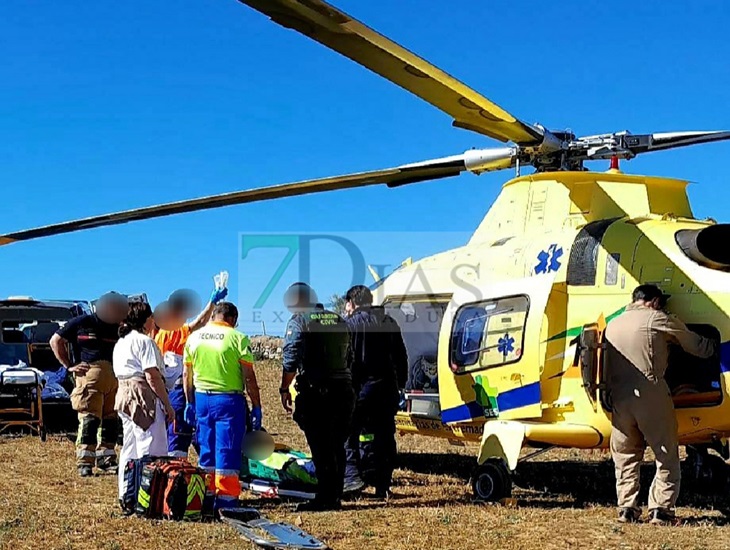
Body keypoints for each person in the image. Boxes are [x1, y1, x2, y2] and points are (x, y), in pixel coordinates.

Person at [604, 284, 716, 525]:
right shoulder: (657, 319)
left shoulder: (612, 324)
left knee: (625, 454)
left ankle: (626, 508)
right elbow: (695, 346)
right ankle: (661, 510)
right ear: (654, 302)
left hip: (618, 398)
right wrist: (716, 348)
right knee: (665, 452)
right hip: (650, 393)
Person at [280, 282, 355, 511]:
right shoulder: (339, 320)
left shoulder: (300, 321)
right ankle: (335, 494)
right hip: (343, 390)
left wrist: (284, 389)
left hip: (318, 393)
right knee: (337, 445)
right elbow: (349, 356)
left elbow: (291, 358)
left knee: (321, 447)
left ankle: (325, 497)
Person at [183, 301, 262, 512]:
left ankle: (204, 497)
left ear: (214, 316)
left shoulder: (194, 338)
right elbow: (249, 378)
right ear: (233, 320)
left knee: (206, 449)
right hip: (229, 401)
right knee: (227, 449)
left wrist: (189, 402)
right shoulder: (238, 338)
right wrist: (256, 406)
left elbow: (186, 375)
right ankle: (226, 500)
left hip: (201, 400)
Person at [50, 292, 129, 477]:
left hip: (115, 379)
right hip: (89, 377)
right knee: (89, 419)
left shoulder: (120, 327)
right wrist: (69, 365)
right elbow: (55, 341)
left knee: (111, 419)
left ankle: (107, 458)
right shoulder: (81, 322)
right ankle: (85, 462)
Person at [342, 285, 408, 498]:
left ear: (352, 303)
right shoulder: (390, 323)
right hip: (387, 389)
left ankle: (351, 477)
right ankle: (383, 483)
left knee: (348, 432)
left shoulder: (350, 325)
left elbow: (346, 359)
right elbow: (401, 356)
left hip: (360, 389)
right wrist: (401, 384)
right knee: (385, 436)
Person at [154, 284, 228, 458]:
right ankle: (177, 474)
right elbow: (200, 323)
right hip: (179, 390)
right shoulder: (174, 331)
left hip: (168, 390)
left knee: (183, 433)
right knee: (178, 435)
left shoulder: (158, 333)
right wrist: (212, 302)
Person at [113, 301, 175, 505]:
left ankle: (126, 494)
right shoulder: (144, 342)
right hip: (142, 394)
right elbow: (152, 376)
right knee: (151, 446)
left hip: (123, 393)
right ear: (145, 320)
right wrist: (167, 404)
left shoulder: (120, 343)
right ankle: (147, 496)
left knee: (129, 447)